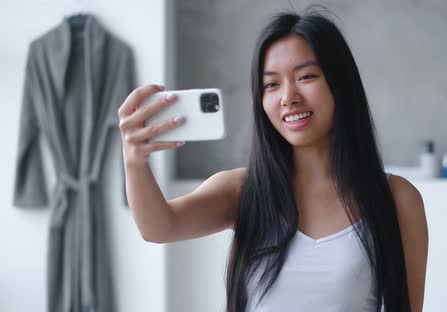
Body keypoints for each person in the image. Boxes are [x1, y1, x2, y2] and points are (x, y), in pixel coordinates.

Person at [117, 6, 428, 312]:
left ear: (340, 83)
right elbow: (159, 227)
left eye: (306, 76)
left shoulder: (397, 199)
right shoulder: (241, 191)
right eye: (272, 84)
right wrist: (134, 161)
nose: (288, 97)